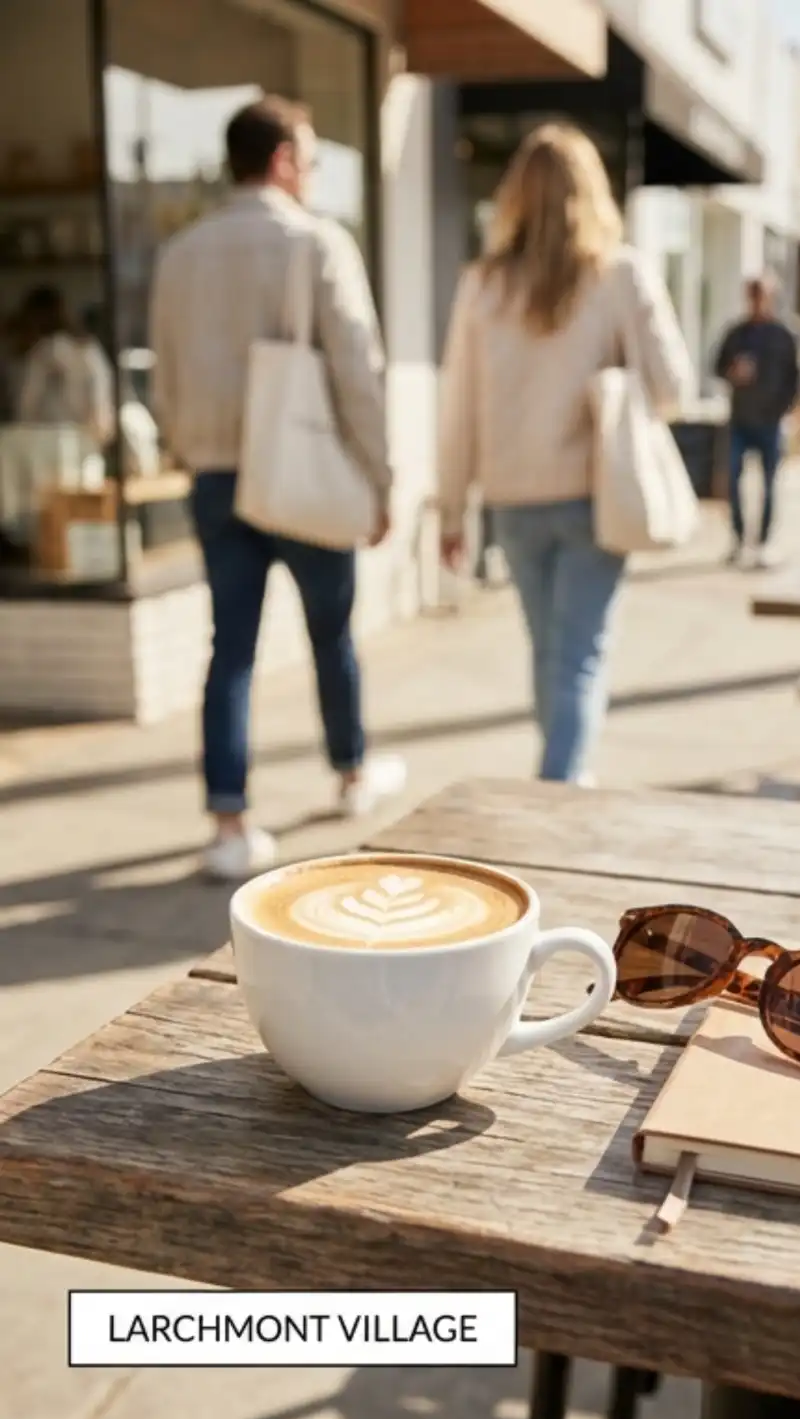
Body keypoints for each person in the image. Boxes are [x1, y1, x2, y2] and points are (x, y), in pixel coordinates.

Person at [151, 96, 404, 880]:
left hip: (215, 473)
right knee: (331, 631)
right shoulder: (316, 243)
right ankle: (351, 770)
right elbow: (360, 372)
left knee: (229, 647)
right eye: (313, 158)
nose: (314, 175)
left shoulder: (181, 252)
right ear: (284, 161)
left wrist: (189, 447)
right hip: (301, 475)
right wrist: (381, 476)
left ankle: (229, 822)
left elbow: (163, 373)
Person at [436, 123, 686, 787]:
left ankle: (562, 782)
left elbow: (456, 405)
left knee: (550, 654)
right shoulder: (619, 273)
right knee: (575, 658)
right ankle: (562, 792)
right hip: (592, 494)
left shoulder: (482, 284)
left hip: (512, 498)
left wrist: (452, 511)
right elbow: (674, 387)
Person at [711, 272, 800, 568]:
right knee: (732, 481)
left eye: (761, 295)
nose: (756, 302)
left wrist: (792, 413)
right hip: (740, 420)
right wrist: (733, 371)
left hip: (771, 422)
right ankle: (739, 539)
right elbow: (717, 366)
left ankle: (764, 543)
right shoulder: (737, 333)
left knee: (769, 484)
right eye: (752, 295)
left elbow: (798, 379)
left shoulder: (786, 334)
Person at [11, 286, 113, 448]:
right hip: (87, 446)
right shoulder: (89, 349)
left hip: (47, 449)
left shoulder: (40, 354)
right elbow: (102, 414)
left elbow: (25, 410)